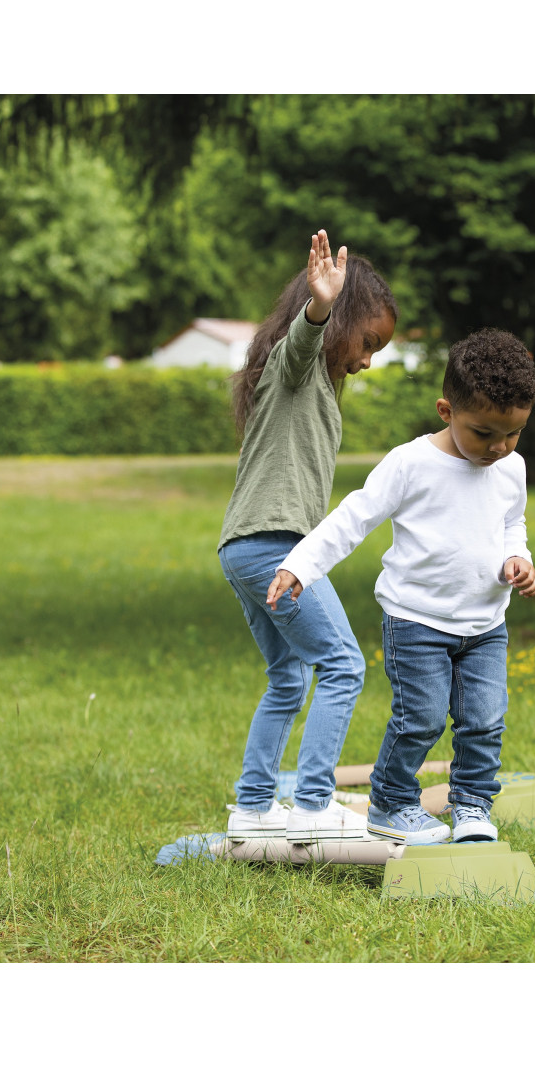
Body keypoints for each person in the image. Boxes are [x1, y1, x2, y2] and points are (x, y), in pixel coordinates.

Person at [267, 328, 535, 845]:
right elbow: (354, 518)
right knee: (421, 718)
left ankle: (472, 806)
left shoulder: (511, 468)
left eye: (514, 434)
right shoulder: (411, 464)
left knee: (484, 721)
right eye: (484, 433)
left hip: (486, 624)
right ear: (446, 411)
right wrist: (300, 565)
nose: (499, 447)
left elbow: (512, 522)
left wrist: (517, 557)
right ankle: (391, 803)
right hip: (416, 620)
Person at [218, 230, 397, 844]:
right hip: (273, 547)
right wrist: (320, 306)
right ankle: (313, 806)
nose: (367, 361)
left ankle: (253, 805)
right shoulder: (292, 367)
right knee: (343, 665)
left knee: (290, 677)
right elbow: (302, 344)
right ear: (338, 320)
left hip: (243, 548)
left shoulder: (309, 383)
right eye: (368, 342)